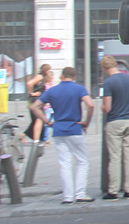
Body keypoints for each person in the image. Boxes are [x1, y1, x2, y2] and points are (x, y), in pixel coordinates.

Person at [30, 67, 96, 204]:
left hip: (58, 130)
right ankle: (80, 194)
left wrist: (48, 121)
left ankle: (68, 197)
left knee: (64, 163)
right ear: (74, 77)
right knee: (81, 161)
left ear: (62, 76)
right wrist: (86, 122)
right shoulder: (79, 89)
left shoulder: (52, 91)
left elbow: (34, 107)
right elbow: (90, 105)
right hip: (76, 129)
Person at [101, 55, 129, 200]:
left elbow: (107, 108)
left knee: (115, 157)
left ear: (104, 68)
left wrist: (102, 107)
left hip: (115, 122)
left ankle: (113, 191)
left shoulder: (108, 82)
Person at [23, 63, 52, 145]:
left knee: (36, 120)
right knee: (39, 119)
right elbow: (29, 83)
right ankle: (36, 141)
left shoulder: (42, 77)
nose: (50, 71)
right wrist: (32, 93)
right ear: (46, 70)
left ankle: (32, 137)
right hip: (35, 101)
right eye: (49, 70)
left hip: (37, 101)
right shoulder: (40, 76)